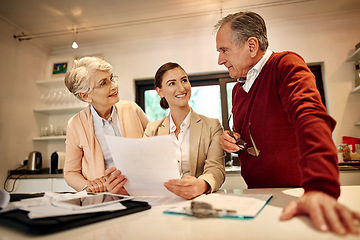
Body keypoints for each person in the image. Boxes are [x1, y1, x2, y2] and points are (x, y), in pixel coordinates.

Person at [214, 11, 360, 235]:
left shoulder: (285, 64)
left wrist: (320, 188)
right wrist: (232, 139)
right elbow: (251, 133)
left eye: (224, 50)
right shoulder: (237, 89)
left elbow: (310, 117)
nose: (220, 60)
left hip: (299, 193)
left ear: (252, 46)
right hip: (257, 196)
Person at [64, 56, 149, 194]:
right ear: (86, 96)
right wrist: (88, 186)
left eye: (112, 78)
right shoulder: (75, 124)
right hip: (103, 196)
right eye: (104, 83)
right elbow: (70, 173)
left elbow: (155, 144)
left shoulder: (132, 109)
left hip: (141, 191)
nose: (114, 86)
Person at [143, 62, 225, 200]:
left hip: (199, 201)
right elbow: (143, 168)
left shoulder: (212, 126)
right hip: (162, 202)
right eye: (171, 83)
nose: (181, 88)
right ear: (160, 91)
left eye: (184, 80)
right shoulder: (152, 130)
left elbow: (216, 169)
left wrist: (201, 184)